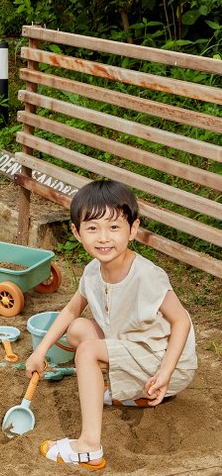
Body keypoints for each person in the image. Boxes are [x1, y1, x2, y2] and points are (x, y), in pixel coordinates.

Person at [25, 180, 197, 470]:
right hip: (136, 348)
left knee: (88, 352)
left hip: (169, 364)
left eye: (114, 227)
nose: (104, 238)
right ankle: (129, 393)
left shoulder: (147, 275)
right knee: (78, 329)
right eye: (92, 228)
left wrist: (166, 373)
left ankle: (89, 446)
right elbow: (70, 311)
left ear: (133, 229)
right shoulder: (93, 271)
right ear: (77, 233)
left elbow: (181, 321)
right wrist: (39, 352)